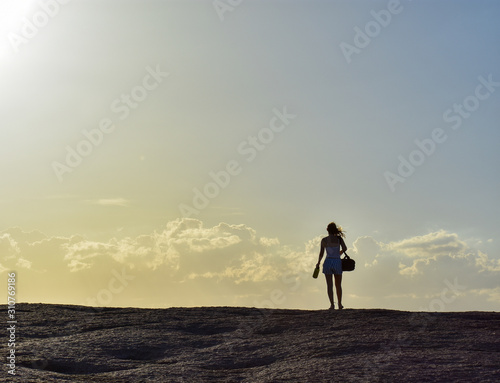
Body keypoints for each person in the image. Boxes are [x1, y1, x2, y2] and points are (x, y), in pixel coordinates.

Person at [316, 222, 347, 310]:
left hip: (328, 261)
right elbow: (345, 248)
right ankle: (340, 304)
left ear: (327, 230)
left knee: (329, 285)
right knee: (338, 285)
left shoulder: (324, 240)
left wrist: (318, 263)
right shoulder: (339, 239)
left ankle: (332, 305)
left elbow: (321, 253)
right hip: (337, 261)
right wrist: (339, 253)